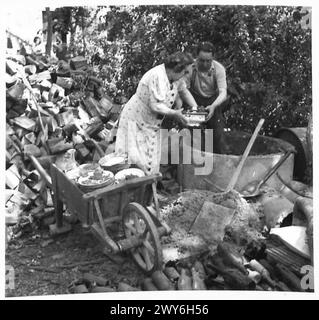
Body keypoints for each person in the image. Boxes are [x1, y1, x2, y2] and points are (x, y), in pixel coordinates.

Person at [115, 52, 198, 175]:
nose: (186, 75)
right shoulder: (157, 76)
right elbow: (156, 106)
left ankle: (150, 190)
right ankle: (135, 191)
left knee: (151, 160)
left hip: (151, 124)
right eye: (185, 72)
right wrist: (175, 113)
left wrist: (195, 109)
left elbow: (183, 91)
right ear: (176, 68)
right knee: (134, 160)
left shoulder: (176, 78)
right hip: (136, 120)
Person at [183, 42, 229, 154]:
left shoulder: (219, 69)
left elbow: (223, 92)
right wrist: (194, 108)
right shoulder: (189, 68)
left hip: (212, 103)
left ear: (212, 58)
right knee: (195, 135)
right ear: (197, 57)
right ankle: (197, 162)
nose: (204, 63)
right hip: (194, 101)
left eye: (208, 61)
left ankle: (220, 163)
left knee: (218, 135)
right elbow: (183, 90)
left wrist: (213, 106)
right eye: (201, 60)